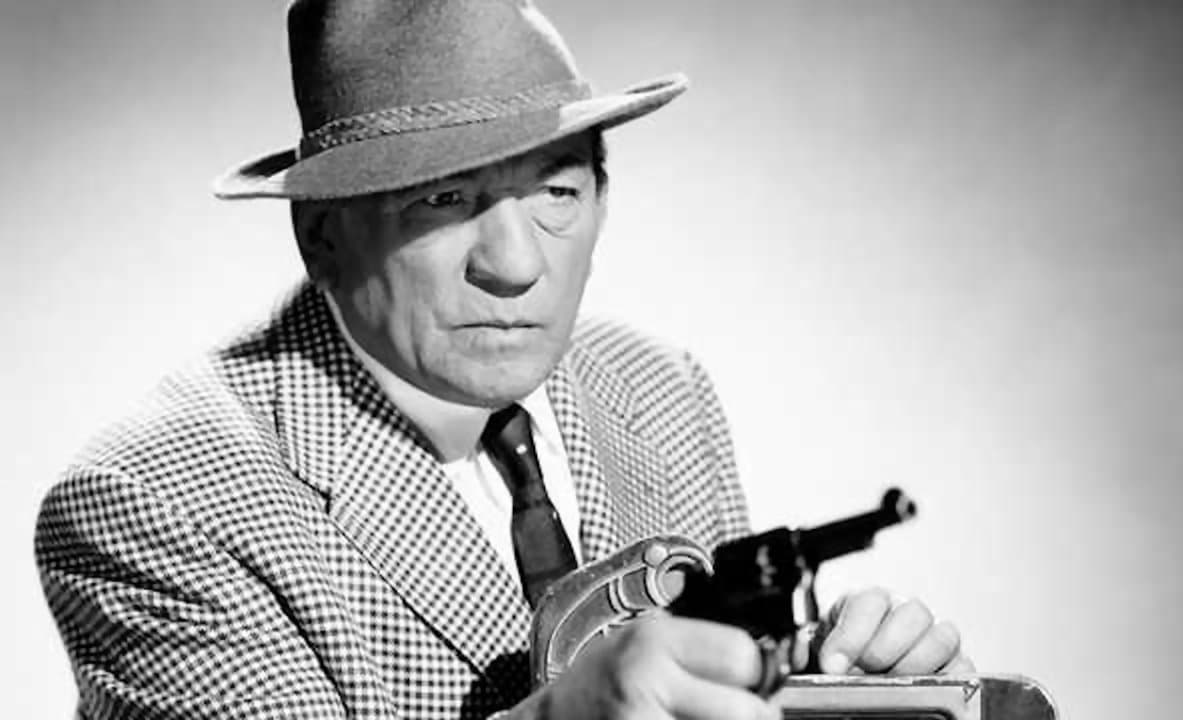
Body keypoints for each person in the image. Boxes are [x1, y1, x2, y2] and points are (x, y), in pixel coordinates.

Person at [35, 1, 972, 718]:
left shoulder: (663, 392)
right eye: (444, 200)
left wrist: (854, 701)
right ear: (321, 237)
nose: (517, 265)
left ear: (603, 198)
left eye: (556, 192)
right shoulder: (153, 502)